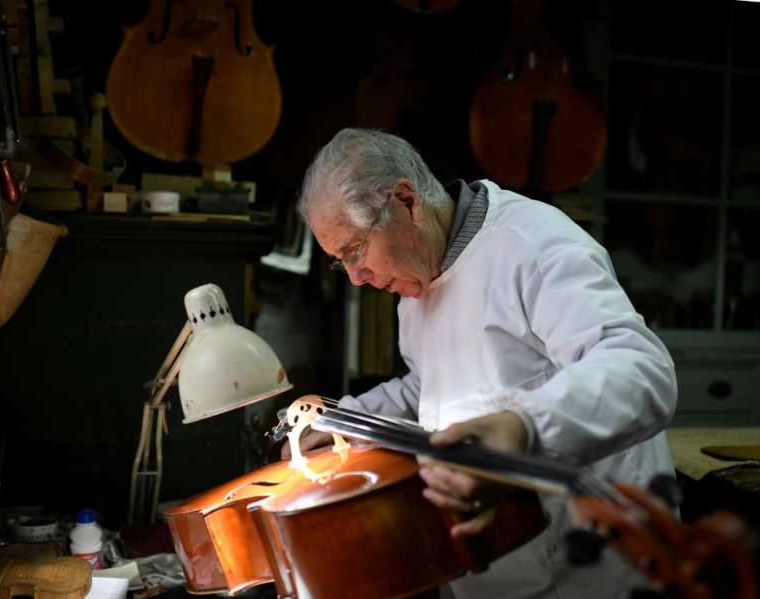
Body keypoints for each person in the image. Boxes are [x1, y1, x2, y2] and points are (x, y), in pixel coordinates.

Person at [289, 128, 677, 599]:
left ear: (406, 201)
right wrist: (345, 420)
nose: (355, 278)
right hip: (489, 561)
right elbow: (429, 387)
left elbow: (642, 369)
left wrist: (524, 427)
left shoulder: (530, 246)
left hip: (589, 565)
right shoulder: (416, 280)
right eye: (340, 263)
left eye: (354, 251)